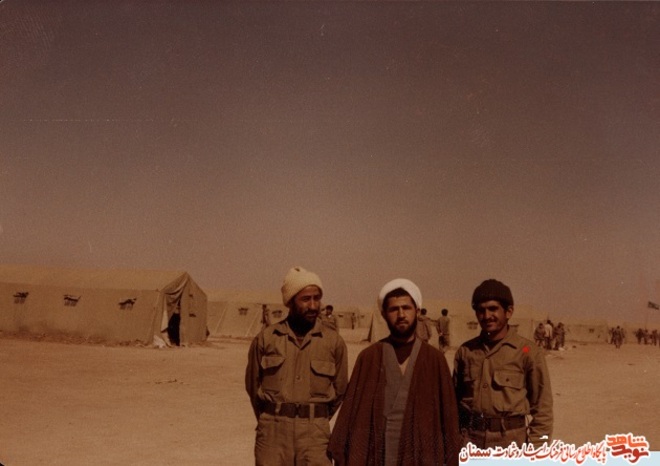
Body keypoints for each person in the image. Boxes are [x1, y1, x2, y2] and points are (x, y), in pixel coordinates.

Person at [328, 279, 460, 466]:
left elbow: (449, 417)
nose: (401, 315)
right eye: (394, 309)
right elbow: (351, 412)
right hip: (376, 455)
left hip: (421, 455)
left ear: (417, 311)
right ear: (384, 314)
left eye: (406, 308)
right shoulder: (369, 357)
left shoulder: (434, 359)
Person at [245, 266, 349, 465]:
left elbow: (340, 389)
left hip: (315, 436)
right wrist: (272, 417)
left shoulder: (333, 342)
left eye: (317, 298)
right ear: (290, 301)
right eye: (305, 299)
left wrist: (315, 418)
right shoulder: (267, 338)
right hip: (273, 434)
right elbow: (252, 385)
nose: (313, 305)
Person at [453, 279, 553, 449]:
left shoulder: (528, 351)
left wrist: (537, 451)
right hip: (470, 440)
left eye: (493, 309)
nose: (486, 316)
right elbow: (454, 403)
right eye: (481, 310)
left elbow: (543, 409)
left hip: (511, 442)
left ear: (509, 312)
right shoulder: (466, 351)